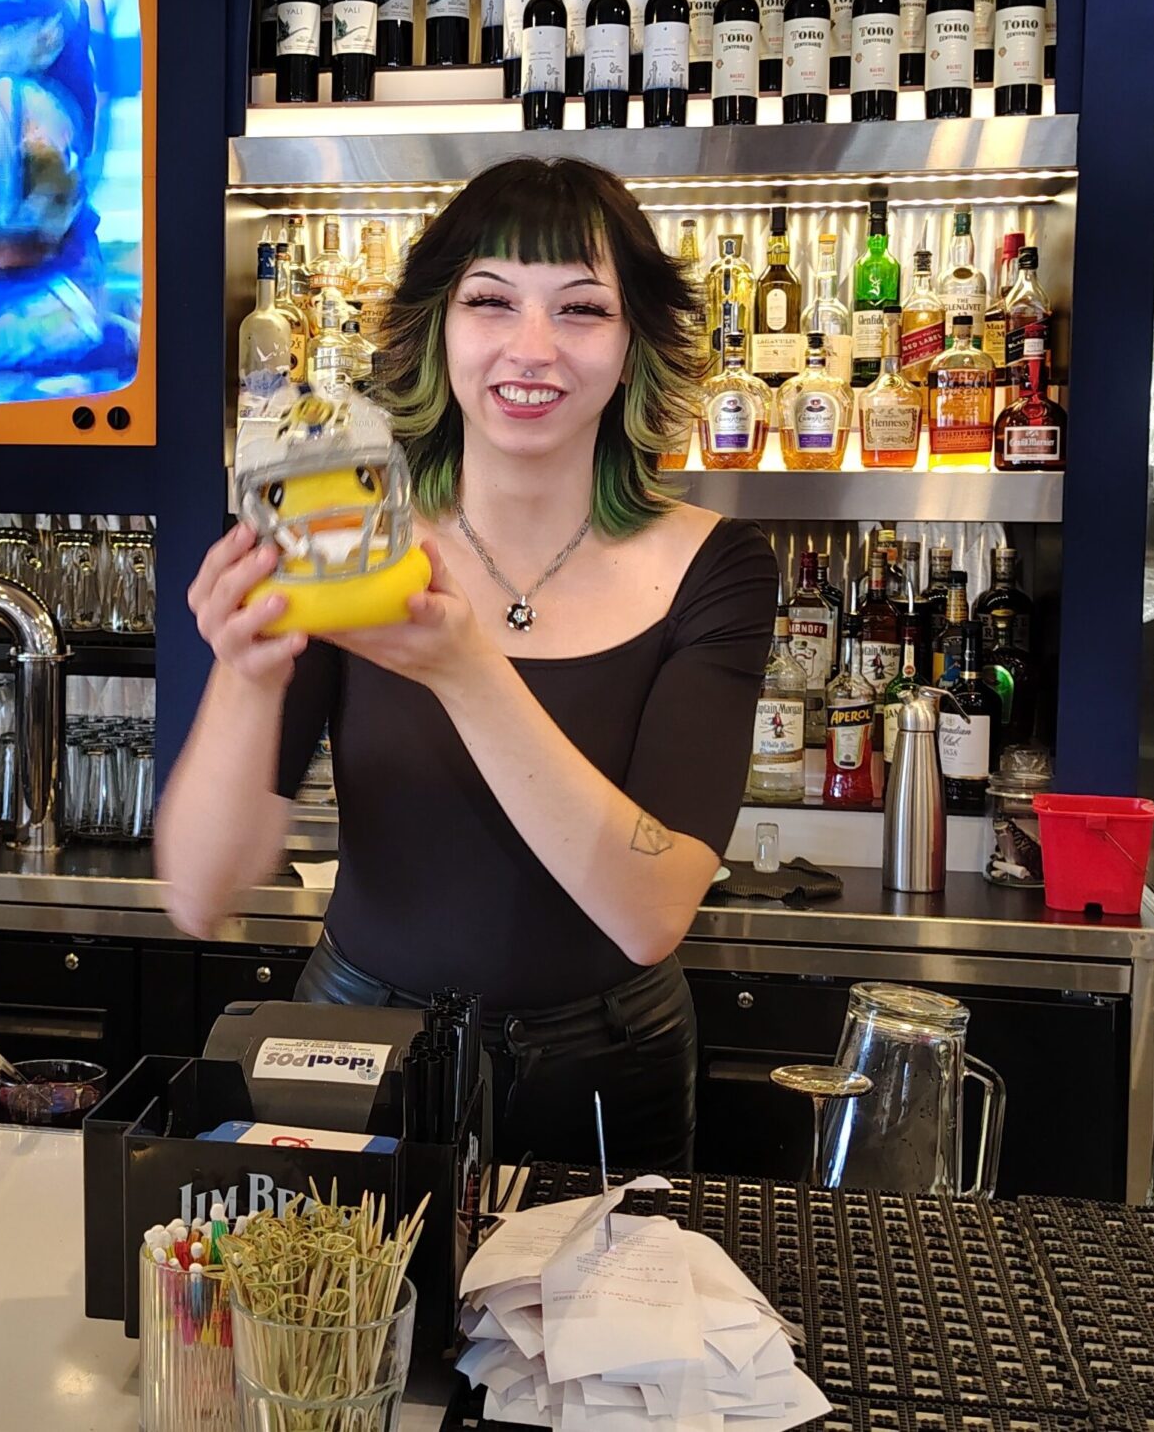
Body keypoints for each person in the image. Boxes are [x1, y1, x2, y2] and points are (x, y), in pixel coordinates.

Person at [156, 158, 776, 1171]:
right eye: (490, 301)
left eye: (581, 308)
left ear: (634, 348)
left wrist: (464, 668)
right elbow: (198, 891)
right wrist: (249, 670)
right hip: (357, 1050)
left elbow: (652, 910)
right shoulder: (349, 534)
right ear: (438, 329)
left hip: (611, 1068)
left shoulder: (715, 567)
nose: (532, 347)